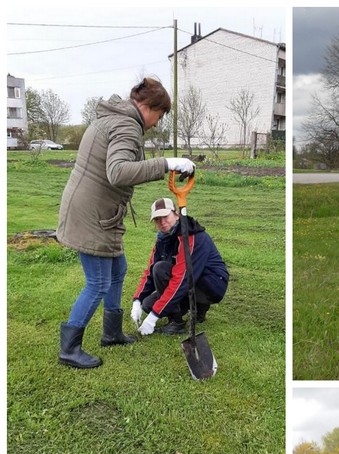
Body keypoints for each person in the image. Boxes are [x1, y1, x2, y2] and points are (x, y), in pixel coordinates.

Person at [56, 77, 195, 369]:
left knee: (118, 269)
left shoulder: (115, 117)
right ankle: (69, 348)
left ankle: (111, 332)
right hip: (93, 214)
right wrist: (166, 163)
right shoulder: (127, 125)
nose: (157, 123)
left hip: (96, 209)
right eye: (159, 115)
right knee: (97, 282)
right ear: (147, 106)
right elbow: (118, 172)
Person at [131, 198, 229, 335]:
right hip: (190, 281)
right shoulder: (163, 239)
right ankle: (196, 307)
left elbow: (182, 279)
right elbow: (149, 272)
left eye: (165, 216)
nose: (162, 222)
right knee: (147, 304)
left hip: (212, 284)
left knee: (160, 269)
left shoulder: (190, 236)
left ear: (176, 214)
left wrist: (153, 317)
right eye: (157, 219)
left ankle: (176, 322)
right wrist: (137, 300)